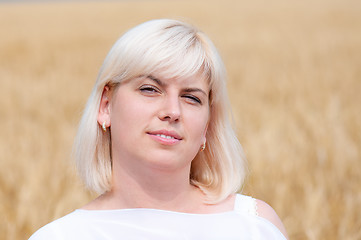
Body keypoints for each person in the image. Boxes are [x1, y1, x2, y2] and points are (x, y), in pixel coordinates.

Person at [29, 19, 288, 239]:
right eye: (150, 89)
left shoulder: (256, 227)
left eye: (192, 98)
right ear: (106, 105)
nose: (173, 111)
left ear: (207, 126)